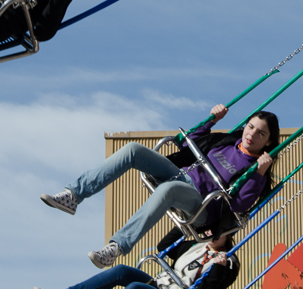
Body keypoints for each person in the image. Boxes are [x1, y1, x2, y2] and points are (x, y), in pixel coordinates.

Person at [39, 105, 279, 268]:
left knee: (168, 190)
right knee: (133, 150)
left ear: (268, 141)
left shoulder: (257, 169)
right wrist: (212, 120)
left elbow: (239, 204)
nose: (252, 134)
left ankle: (115, 248)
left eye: (261, 133)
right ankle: (73, 195)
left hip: (201, 206)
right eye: (250, 127)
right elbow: (187, 143)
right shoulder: (227, 141)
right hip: (182, 176)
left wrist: (258, 174)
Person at [43, 228, 239, 289]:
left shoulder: (229, 260)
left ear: (230, 234)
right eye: (210, 229)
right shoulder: (195, 245)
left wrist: (219, 267)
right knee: (121, 271)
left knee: (134, 288)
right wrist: (186, 226)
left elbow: (212, 288)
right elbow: (164, 247)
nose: (211, 234)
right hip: (158, 284)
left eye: (219, 232)